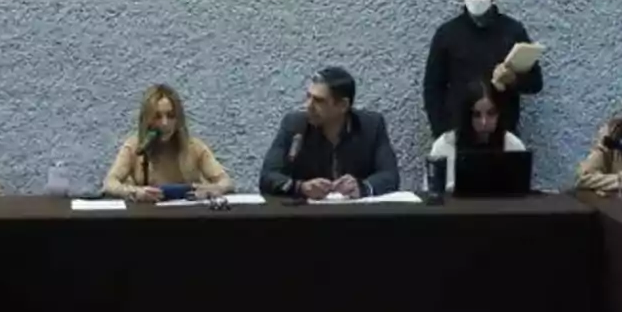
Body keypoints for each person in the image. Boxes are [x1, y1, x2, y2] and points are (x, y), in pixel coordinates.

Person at [422, 0, 543, 137]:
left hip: (503, 134)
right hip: (458, 134)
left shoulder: (512, 31)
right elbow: (432, 88)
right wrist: (441, 133)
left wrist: (513, 80)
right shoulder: (447, 34)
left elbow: (536, 83)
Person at [259, 67, 400, 200]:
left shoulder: (372, 126)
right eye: (308, 97)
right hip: (308, 218)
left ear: (343, 105)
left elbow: (390, 176)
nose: (308, 105)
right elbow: (267, 177)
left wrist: (362, 187)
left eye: (319, 101)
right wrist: (301, 187)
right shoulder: (294, 124)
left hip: (357, 217)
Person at [102, 84, 234, 202]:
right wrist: (135, 192)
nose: (165, 123)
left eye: (170, 116)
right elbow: (109, 183)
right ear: (147, 119)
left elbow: (226, 182)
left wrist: (210, 190)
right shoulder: (135, 147)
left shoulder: (194, 147)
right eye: (157, 117)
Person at [427, 79, 527, 191]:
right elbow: (431, 196)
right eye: (476, 115)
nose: (484, 122)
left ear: (499, 114)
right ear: (467, 116)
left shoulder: (513, 147)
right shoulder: (444, 147)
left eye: (491, 113)